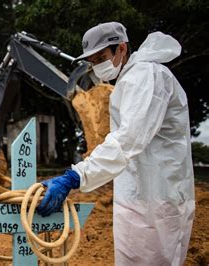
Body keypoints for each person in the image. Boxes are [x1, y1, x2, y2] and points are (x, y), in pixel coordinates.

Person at [37, 22, 195, 265]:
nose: (96, 66)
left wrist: (75, 176)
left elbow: (127, 139)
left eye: (101, 57)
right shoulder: (130, 79)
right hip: (139, 192)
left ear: (121, 48)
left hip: (159, 196)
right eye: (92, 61)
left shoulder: (146, 77)